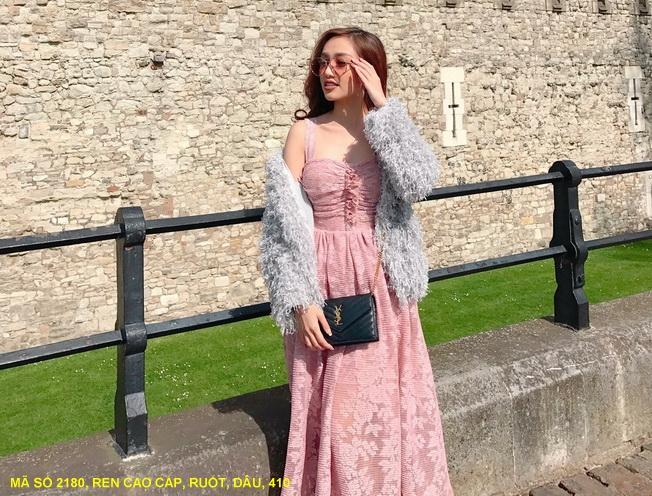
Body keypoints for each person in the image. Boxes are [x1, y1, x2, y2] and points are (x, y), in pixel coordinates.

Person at [259, 26, 455, 496]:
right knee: (338, 414)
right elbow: (281, 228)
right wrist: (300, 300)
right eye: (323, 61)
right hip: (321, 282)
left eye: (341, 61)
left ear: (367, 68)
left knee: (384, 406)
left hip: (381, 283)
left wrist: (384, 108)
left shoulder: (386, 131)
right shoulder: (304, 133)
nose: (327, 70)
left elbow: (419, 182)